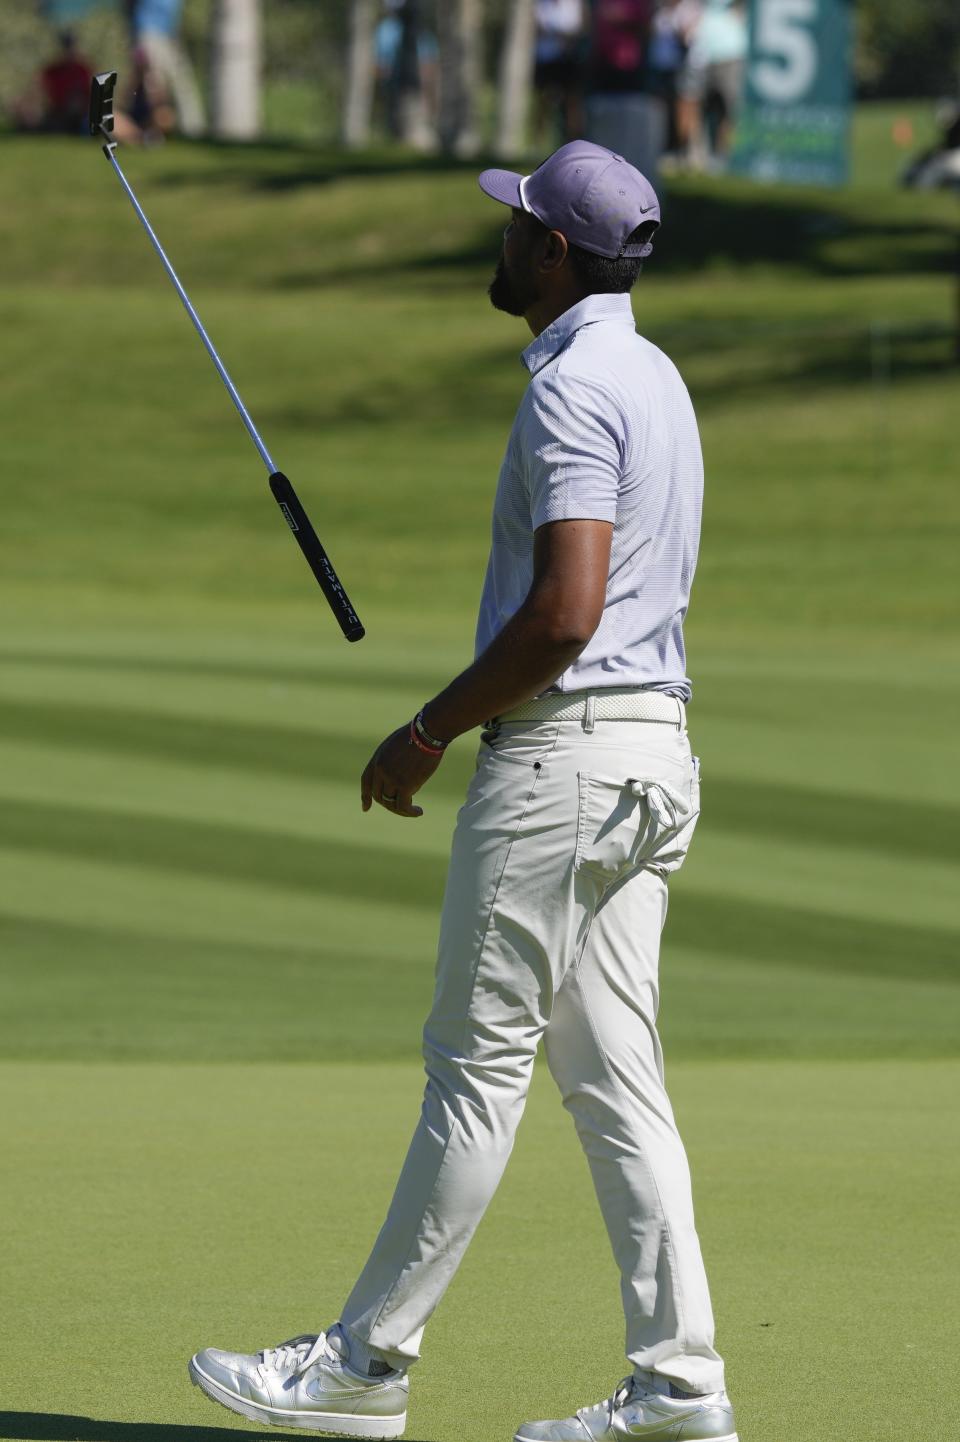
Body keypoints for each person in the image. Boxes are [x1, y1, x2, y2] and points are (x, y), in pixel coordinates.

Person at [187, 140, 738, 1442]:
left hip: (566, 761)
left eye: (517, 228)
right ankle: (681, 1382)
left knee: (475, 1067)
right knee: (615, 1079)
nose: (501, 241)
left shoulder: (572, 391)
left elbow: (566, 611)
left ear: (552, 254)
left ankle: (363, 1369)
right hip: (655, 756)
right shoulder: (656, 376)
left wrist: (429, 726)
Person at [126, 0, 204, 138]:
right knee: (154, 87)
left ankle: (192, 130)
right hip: (148, 34)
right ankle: (154, 133)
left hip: (167, 36)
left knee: (181, 86)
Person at [533, 0, 587, 146]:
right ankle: (538, 143)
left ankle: (574, 142)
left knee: (572, 102)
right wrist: (561, 34)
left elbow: (580, 29)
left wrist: (559, 34)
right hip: (546, 59)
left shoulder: (575, 4)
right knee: (543, 102)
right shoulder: (541, 4)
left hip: (568, 60)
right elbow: (537, 29)